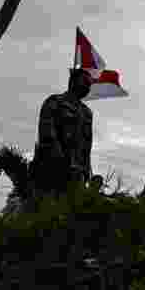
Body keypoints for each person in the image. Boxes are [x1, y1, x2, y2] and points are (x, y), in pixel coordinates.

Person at [31, 68, 94, 204]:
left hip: (78, 172)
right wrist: (59, 161)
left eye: (90, 83)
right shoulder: (55, 102)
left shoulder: (87, 112)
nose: (88, 86)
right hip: (52, 170)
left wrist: (86, 168)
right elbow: (47, 134)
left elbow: (87, 145)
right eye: (85, 81)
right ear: (73, 82)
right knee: (47, 211)